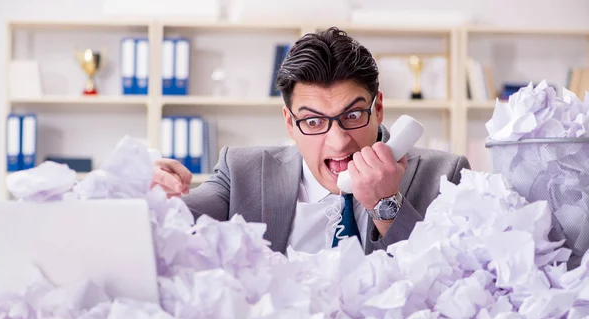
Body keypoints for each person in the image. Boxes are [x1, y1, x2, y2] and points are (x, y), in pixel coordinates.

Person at [152, 27, 470, 255]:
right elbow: (171, 227)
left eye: (354, 115)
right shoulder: (241, 171)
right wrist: (146, 197)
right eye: (314, 121)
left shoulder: (445, 175)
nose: (338, 141)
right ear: (290, 122)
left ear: (379, 109)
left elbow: (455, 279)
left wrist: (385, 205)